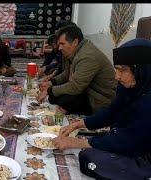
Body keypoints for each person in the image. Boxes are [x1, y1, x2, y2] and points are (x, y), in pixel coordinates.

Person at [52, 38, 151, 179]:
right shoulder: (129, 86)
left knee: (91, 158)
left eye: (122, 70)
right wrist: (78, 124)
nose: (116, 76)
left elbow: (131, 139)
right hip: (126, 137)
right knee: (90, 153)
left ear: (141, 69)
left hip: (143, 153)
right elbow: (112, 112)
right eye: (116, 69)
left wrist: (79, 142)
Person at [37, 25, 117, 115]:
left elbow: (76, 87)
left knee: (63, 100)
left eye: (62, 44)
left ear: (75, 42)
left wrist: (49, 90)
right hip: (88, 92)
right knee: (54, 97)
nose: (59, 48)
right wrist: (51, 82)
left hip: (100, 100)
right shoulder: (79, 51)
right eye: (59, 44)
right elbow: (67, 73)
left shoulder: (87, 56)